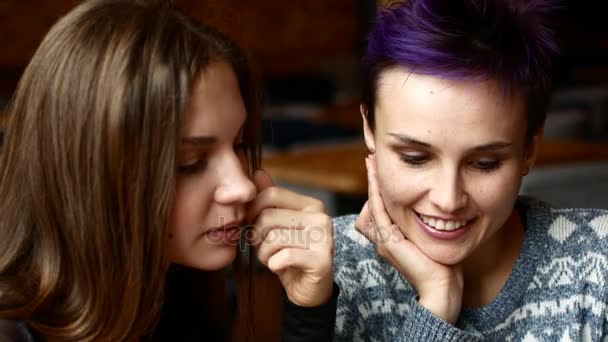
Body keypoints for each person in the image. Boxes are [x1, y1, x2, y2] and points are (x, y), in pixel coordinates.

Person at [0, 0, 336, 340]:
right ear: (88, 173)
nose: (243, 186)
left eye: (238, 144)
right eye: (189, 162)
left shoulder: (183, 288)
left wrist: (307, 312)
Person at [333, 0, 608, 340]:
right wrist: (435, 304)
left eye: (484, 164)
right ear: (369, 131)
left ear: (529, 150)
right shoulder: (333, 268)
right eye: (415, 157)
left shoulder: (599, 266)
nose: (448, 200)